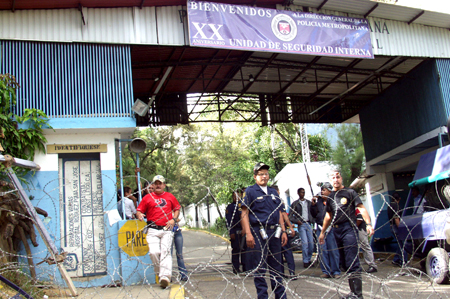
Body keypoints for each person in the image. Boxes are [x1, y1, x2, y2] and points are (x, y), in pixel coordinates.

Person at [318, 170, 374, 299]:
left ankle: (357, 294)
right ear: (330, 180)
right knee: (344, 263)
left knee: (352, 261)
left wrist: (368, 223)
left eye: (338, 177)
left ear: (341, 178)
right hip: (336, 230)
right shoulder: (331, 196)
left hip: (349, 229)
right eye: (333, 177)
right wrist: (322, 232)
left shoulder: (349, 192)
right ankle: (352, 291)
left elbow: (361, 207)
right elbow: (328, 216)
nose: (336, 179)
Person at [241, 162, 288, 299]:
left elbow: (279, 213)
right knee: (260, 267)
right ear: (255, 176)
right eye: (261, 174)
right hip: (258, 232)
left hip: (275, 232)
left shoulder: (273, 192)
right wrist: (248, 233)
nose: (264, 176)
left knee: (277, 266)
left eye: (266, 174)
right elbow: (244, 213)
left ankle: (280, 296)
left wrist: (283, 230)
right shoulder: (250, 192)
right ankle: (263, 296)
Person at [136, 175, 181, 289]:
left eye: (160, 183)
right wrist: (139, 215)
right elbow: (139, 210)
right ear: (153, 185)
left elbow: (177, 209)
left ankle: (165, 277)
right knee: (154, 252)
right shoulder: (147, 197)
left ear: (164, 185)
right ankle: (159, 273)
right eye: (156, 183)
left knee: (165, 252)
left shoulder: (170, 196)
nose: (158, 185)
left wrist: (173, 219)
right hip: (152, 229)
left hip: (166, 229)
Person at [311, 182, 341, 279]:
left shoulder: (333, 201)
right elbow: (314, 214)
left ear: (329, 191)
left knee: (333, 250)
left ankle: (335, 271)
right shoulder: (319, 202)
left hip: (331, 228)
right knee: (322, 250)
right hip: (320, 228)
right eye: (322, 190)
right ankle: (326, 271)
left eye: (324, 190)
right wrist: (313, 205)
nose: (322, 192)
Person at [272, 185, 296, 279]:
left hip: (279, 229)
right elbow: (283, 215)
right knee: (281, 251)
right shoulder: (276, 201)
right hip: (277, 229)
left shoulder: (277, 202)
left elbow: (284, 215)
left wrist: (289, 227)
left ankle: (287, 272)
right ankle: (285, 272)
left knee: (284, 250)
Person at [289, 188, 314, 268]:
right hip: (301, 224)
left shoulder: (309, 203)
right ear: (298, 193)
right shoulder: (295, 204)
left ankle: (309, 258)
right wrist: (297, 221)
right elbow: (290, 216)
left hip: (309, 223)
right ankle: (305, 261)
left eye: (304, 192)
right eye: (301, 192)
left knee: (311, 243)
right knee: (305, 243)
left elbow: (314, 212)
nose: (303, 194)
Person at [226, 189, 246, 274]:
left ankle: (246, 267)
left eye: (237, 196)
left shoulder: (242, 206)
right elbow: (229, 220)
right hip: (235, 231)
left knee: (245, 250)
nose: (236, 198)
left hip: (243, 231)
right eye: (234, 196)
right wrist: (231, 232)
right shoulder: (230, 207)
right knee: (236, 250)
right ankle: (236, 268)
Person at [388, 192, 408, 267]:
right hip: (395, 226)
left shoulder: (389, 205)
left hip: (391, 226)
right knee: (402, 244)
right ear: (399, 199)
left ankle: (396, 259)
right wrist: (400, 228)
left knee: (400, 244)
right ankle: (403, 261)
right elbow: (396, 218)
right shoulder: (396, 205)